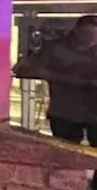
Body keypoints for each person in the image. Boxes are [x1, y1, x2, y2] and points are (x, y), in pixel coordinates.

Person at [13, 15, 97, 144]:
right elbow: (25, 70)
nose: (91, 38)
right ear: (77, 31)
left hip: (93, 112)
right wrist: (65, 78)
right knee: (65, 153)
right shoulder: (55, 48)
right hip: (64, 112)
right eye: (88, 33)